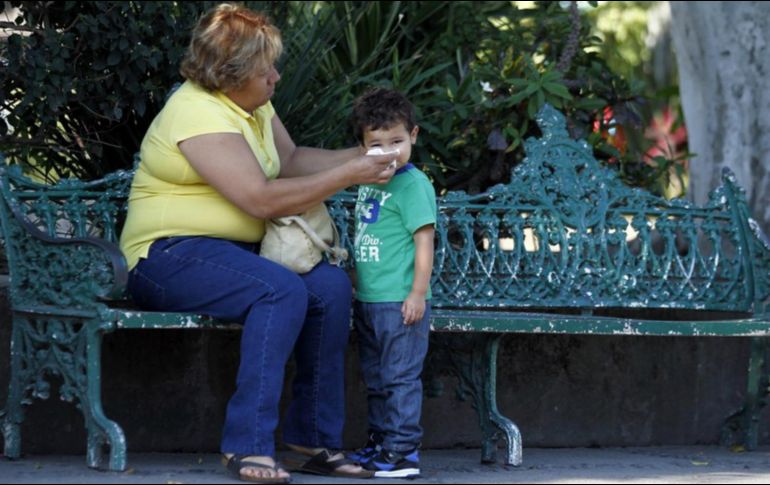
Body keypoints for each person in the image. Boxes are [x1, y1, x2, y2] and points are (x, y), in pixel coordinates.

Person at [118, 4, 399, 483]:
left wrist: (367, 154)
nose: (275, 76)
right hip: (165, 257)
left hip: (236, 256)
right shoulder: (195, 112)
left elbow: (289, 162)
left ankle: (311, 438)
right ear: (230, 73)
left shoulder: (253, 106)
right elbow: (260, 199)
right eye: (264, 67)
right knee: (279, 289)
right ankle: (245, 445)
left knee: (328, 288)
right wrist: (348, 176)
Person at [348, 88, 437, 479]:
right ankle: (381, 442)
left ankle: (402, 452)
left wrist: (417, 293)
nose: (389, 151)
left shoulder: (414, 185)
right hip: (369, 300)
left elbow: (424, 241)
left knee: (400, 378)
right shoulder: (368, 180)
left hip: (401, 302)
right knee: (377, 378)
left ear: (413, 135)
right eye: (377, 144)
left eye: (397, 142)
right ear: (362, 146)